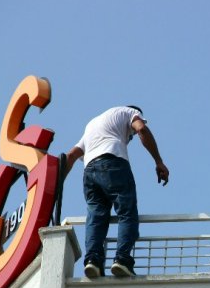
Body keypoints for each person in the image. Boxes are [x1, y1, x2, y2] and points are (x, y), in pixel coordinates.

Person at [64, 105, 169, 278]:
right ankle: (122, 259)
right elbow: (141, 128)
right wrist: (158, 161)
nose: (131, 137)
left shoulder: (93, 124)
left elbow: (71, 156)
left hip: (89, 171)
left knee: (96, 216)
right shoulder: (130, 113)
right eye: (131, 135)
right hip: (113, 164)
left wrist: (58, 186)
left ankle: (93, 261)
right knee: (127, 211)